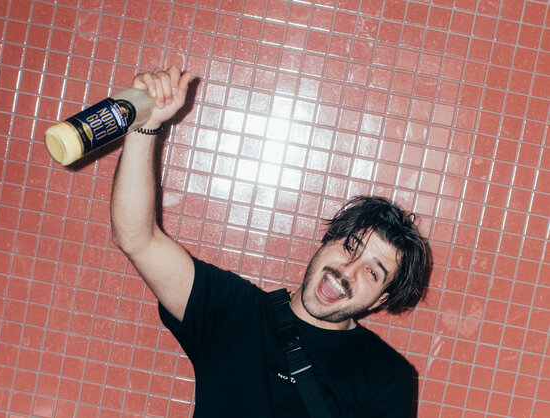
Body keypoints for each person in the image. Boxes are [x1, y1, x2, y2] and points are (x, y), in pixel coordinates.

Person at [109, 67, 432, 417]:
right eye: (350, 247)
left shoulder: (386, 377)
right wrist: (145, 124)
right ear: (327, 241)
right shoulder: (233, 311)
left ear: (382, 298)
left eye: (373, 272)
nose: (347, 272)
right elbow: (137, 237)